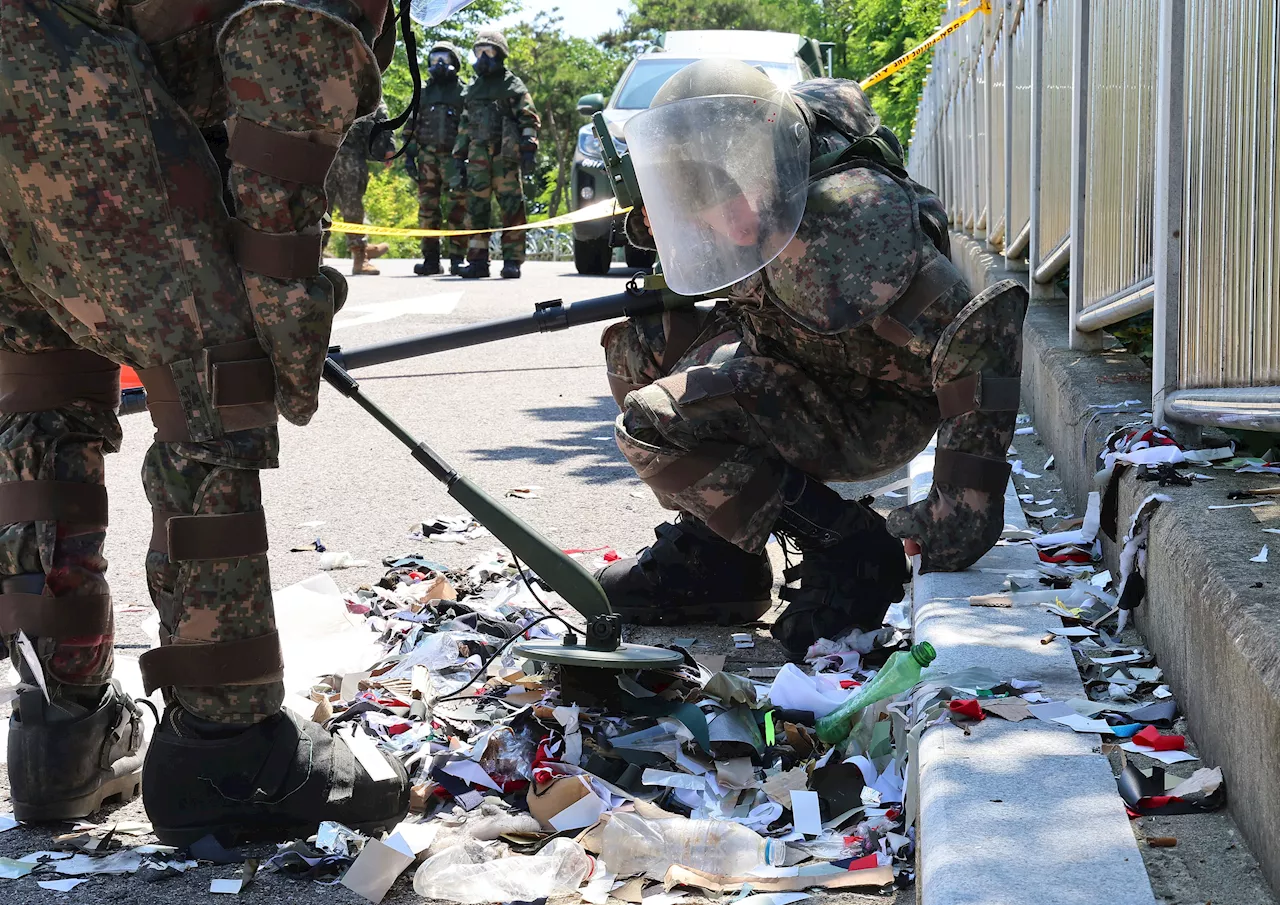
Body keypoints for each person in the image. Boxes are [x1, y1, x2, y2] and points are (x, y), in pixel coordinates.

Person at [0, 0, 410, 842]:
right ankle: (229, 750)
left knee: (41, 396)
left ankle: (61, 733)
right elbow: (288, 95)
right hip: (75, 94)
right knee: (214, 384)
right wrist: (285, 325)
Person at [596, 60, 1028, 658]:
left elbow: (982, 327)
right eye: (696, 196)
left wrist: (961, 509)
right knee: (638, 347)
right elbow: (700, 264)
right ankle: (724, 561)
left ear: (765, 160)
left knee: (656, 421)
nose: (715, 212)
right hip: (795, 351)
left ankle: (849, 548)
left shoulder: (844, 234)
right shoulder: (762, 176)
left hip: (871, 405)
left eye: (723, 190)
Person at [452, 28, 541, 280]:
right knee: (476, 207)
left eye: (488, 52)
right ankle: (478, 260)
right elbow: (465, 125)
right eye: (478, 52)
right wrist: (458, 158)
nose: (482, 58)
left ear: (500, 54)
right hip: (477, 155)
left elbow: (528, 118)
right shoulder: (473, 88)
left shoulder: (512, 85)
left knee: (512, 207)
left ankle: (512, 260)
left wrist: (528, 149)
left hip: (506, 155)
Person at [404, 41, 469, 276]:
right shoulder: (423, 92)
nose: (439, 64)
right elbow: (412, 125)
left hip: (455, 159)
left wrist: (466, 158)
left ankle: (457, 259)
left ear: (454, 61)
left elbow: (471, 125)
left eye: (444, 58)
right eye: (434, 59)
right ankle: (431, 259)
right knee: (427, 211)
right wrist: (409, 156)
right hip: (427, 159)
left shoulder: (464, 92)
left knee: (458, 209)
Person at [325, 101, 395, 276]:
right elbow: (380, 112)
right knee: (326, 207)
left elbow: (379, 112)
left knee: (347, 208)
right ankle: (359, 253)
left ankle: (360, 255)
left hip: (338, 154)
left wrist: (389, 146)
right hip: (329, 153)